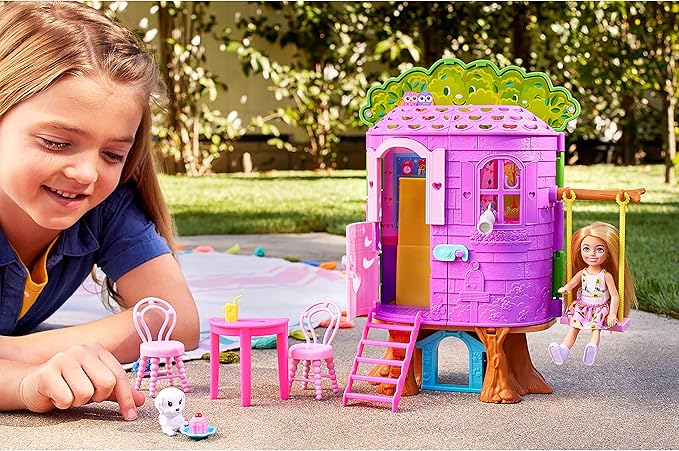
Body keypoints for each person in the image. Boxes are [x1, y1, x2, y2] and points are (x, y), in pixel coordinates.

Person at [0, 2, 199, 420]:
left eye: (112, 154)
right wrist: (22, 383)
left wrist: (16, 351)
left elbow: (175, 319)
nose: (88, 174)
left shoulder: (107, 208)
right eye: (57, 143)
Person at [548, 222, 637, 366]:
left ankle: (592, 347)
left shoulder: (606, 275)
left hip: (599, 308)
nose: (592, 254)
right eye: (586, 249)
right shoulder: (582, 273)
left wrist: (612, 314)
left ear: (609, 253)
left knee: (596, 328)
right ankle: (563, 350)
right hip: (583, 306)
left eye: (599, 249)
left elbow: (614, 296)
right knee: (574, 328)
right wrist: (566, 288)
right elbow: (572, 284)